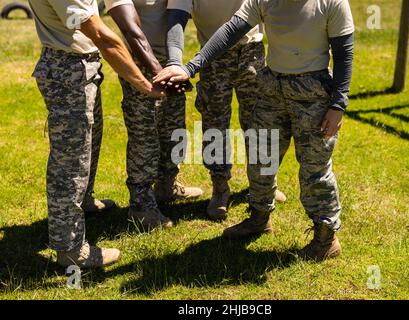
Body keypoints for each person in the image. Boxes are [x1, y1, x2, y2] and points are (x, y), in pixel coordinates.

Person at [154, 0, 355, 261]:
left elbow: (344, 53)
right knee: (261, 157)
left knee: (314, 168)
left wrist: (338, 104)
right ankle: (259, 219)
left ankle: (326, 239)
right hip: (272, 86)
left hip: (313, 92)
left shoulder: (332, 3)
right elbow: (232, 30)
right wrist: (189, 67)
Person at [29, 0, 164, 268]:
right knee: (70, 163)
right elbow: (102, 36)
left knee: (89, 144)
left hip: (78, 65)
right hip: (67, 70)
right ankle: (70, 249)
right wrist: (144, 84)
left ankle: (85, 201)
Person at [165, 0, 287, 221]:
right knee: (215, 123)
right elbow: (176, 17)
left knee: (259, 120)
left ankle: (263, 185)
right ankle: (220, 188)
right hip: (213, 56)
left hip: (252, 52)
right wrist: (174, 60)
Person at [103, 0, 203, 230]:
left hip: (170, 60)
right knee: (144, 133)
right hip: (139, 62)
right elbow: (131, 30)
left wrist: (173, 65)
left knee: (174, 129)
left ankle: (166, 186)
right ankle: (140, 205)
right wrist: (159, 73)